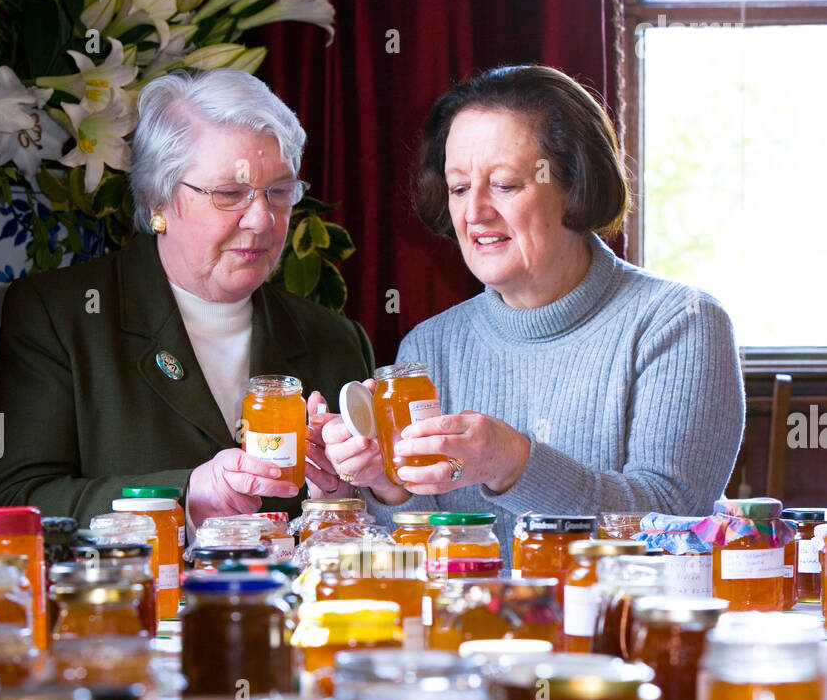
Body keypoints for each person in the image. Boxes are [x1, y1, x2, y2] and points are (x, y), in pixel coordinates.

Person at [319, 65, 744, 565]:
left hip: (614, 635)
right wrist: (385, 486)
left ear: (575, 185)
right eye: (458, 188)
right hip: (462, 635)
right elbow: (413, 553)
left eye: (503, 184)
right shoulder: (428, 347)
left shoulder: (681, 323)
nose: (474, 212)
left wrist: (512, 462)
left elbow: (671, 522)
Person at [0, 69, 368, 528]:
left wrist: (344, 491)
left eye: (280, 192)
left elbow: (370, 522)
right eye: (230, 193)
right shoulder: (59, 317)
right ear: (157, 200)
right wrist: (186, 497)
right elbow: (14, 503)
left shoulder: (336, 339)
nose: (263, 220)